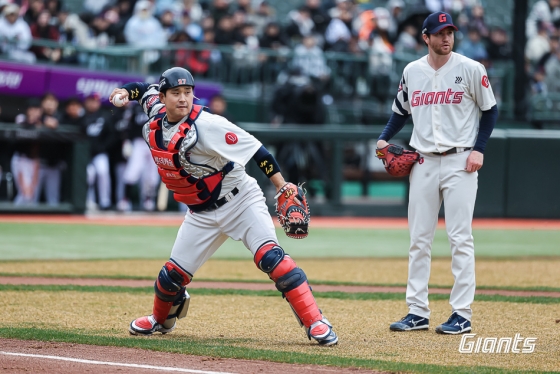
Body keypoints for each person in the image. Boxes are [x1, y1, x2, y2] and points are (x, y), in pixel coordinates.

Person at [109, 67, 338, 346]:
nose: (183, 98)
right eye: (176, 93)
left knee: (272, 259)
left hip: (240, 200)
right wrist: (124, 91)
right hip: (201, 213)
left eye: (188, 92)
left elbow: (258, 150)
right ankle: (160, 320)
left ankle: (316, 321)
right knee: (171, 277)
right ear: (164, 96)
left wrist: (281, 186)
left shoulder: (208, 125)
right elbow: (143, 90)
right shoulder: (157, 112)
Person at [377, 12, 498, 335]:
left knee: (460, 238)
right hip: (424, 162)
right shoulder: (412, 71)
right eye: (440, 33)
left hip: (461, 161)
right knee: (419, 240)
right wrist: (384, 138)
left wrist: (479, 148)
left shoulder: (471, 69)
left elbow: (490, 110)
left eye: (451, 33)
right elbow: (400, 110)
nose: (447, 38)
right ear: (426, 37)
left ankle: (462, 313)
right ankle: (417, 311)